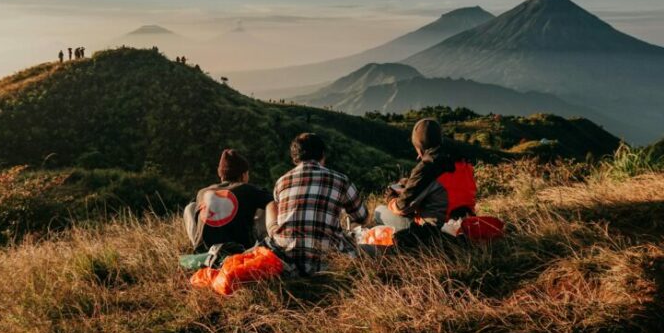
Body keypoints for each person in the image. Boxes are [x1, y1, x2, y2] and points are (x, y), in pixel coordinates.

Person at [266, 133, 368, 275]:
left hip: (287, 263)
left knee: (271, 206)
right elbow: (362, 216)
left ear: (294, 157)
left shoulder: (281, 182)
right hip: (327, 263)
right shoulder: (341, 180)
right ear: (322, 155)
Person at [375, 118, 475, 232]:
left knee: (379, 212)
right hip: (465, 227)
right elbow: (445, 190)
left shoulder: (427, 167)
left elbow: (402, 208)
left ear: (420, 147)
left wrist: (391, 199)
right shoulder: (462, 161)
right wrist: (410, 184)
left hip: (434, 232)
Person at [183, 149, 273, 252]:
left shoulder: (202, 192)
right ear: (243, 175)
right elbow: (274, 203)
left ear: (221, 176)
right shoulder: (249, 189)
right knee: (268, 206)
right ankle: (267, 243)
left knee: (190, 207)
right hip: (241, 249)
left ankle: (197, 245)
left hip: (207, 252)